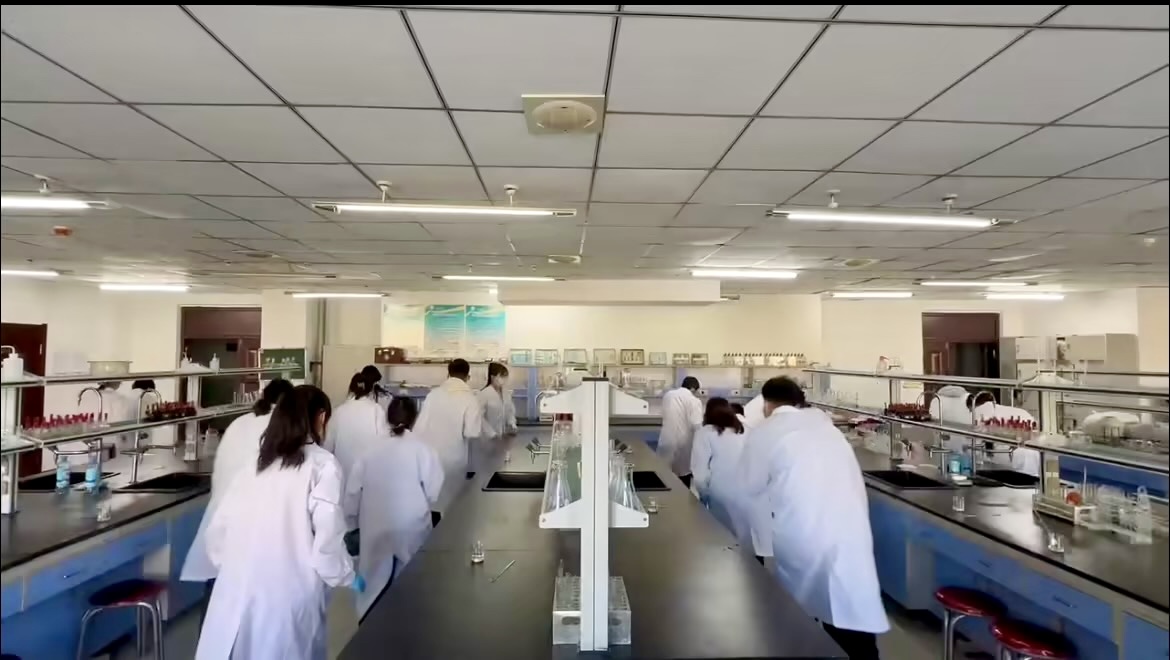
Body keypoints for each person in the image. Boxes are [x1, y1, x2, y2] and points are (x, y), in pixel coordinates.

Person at [195, 385, 362, 660]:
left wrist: (241, 569)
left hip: (235, 593)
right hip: (286, 599)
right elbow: (326, 549)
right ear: (321, 417)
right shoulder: (322, 466)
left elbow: (218, 534)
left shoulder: (255, 463)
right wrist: (348, 576)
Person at [739, 377, 887, 660]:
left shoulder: (767, 432)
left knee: (803, 616)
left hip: (804, 533)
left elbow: (749, 486)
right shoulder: (827, 429)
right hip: (850, 533)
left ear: (767, 404)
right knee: (851, 617)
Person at [181, 378, 295, 583]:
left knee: (222, 581)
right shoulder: (280, 427)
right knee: (248, 582)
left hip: (223, 518)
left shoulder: (239, 422)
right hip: (254, 524)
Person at [344, 397, 444, 618]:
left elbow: (352, 493)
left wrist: (351, 524)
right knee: (411, 579)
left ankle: (369, 623)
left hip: (374, 525)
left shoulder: (369, 449)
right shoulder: (424, 449)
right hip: (412, 526)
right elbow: (433, 492)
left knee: (371, 581)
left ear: (387, 418)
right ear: (414, 418)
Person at [691, 398, 772, 564]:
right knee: (752, 550)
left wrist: (704, 497)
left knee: (726, 548)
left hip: (722, 494)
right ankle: (757, 579)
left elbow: (700, 474)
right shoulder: (748, 430)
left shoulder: (705, 433)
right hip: (753, 494)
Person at [413, 358, 482, 512]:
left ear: (448, 374)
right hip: (454, 461)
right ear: (468, 376)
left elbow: (419, 428)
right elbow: (472, 432)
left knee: (430, 505)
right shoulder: (470, 398)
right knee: (451, 509)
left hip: (429, 458)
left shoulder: (433, 395)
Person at [323, 368, 390, 482]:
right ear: (370, 390)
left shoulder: (339, 411)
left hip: (343, 474)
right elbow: (384, 444)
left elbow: (327, 446)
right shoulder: (376, 410)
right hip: (368, 475)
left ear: (351, 389)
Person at [656, 376, 703, 488]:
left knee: (663, 476)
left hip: (666, 440)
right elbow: (697, 424)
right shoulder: (694, 400)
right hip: (683, 444)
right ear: (693, 389)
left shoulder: (668, 395)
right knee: (683, 479)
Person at [472, 362, 517, 474]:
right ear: (492, 377)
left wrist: (512, 423)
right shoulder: (484, 394)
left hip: (503, 440)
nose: (504, 379)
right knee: (487, 471)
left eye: (505, 376)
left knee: (502, 469)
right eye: (501, 376)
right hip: (487, 440)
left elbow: (510, 411)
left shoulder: (506, 393)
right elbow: (479, 417)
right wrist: (491, 434)